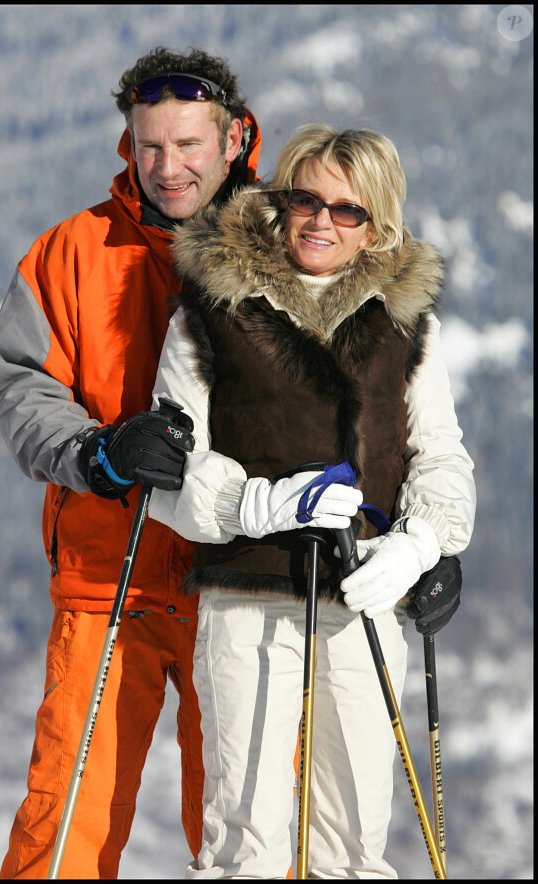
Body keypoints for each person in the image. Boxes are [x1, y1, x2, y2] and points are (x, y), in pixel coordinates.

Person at [144, 124, 476, 878]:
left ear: (377, 224)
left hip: (365, 599)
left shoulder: (406, 324)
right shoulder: (210, 314)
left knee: (354, 841)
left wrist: (417, 546)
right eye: (307, 199)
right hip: (249, 597)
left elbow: (442, 458)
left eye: (347, 209)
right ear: (281, 200)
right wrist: (254, 506)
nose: (322, 220)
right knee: (245, 843)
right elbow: (172, 463)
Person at [0, 46, 261, 880]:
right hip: (114, 578)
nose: (166, 167)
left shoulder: (288, 247)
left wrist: (406, 534)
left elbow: (353, 401)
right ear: (127, 143)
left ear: (234, 139)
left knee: (252, 833)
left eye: (187, 146)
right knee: (65, 826)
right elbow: (21, 384)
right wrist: (93, 453)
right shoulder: (71, 253)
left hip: (245, 584)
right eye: (149, 146)